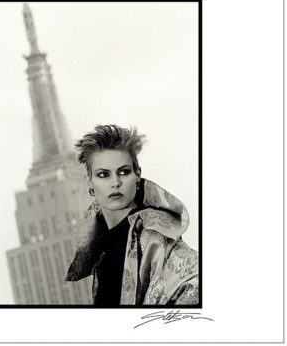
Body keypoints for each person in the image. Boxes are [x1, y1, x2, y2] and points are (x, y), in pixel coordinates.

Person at [66, 124, 198, 306]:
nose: (116, 182)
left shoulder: (153, 235)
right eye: (103, 174)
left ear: (137, 175)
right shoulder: (100, 244)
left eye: (124, 172)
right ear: (89, 181)